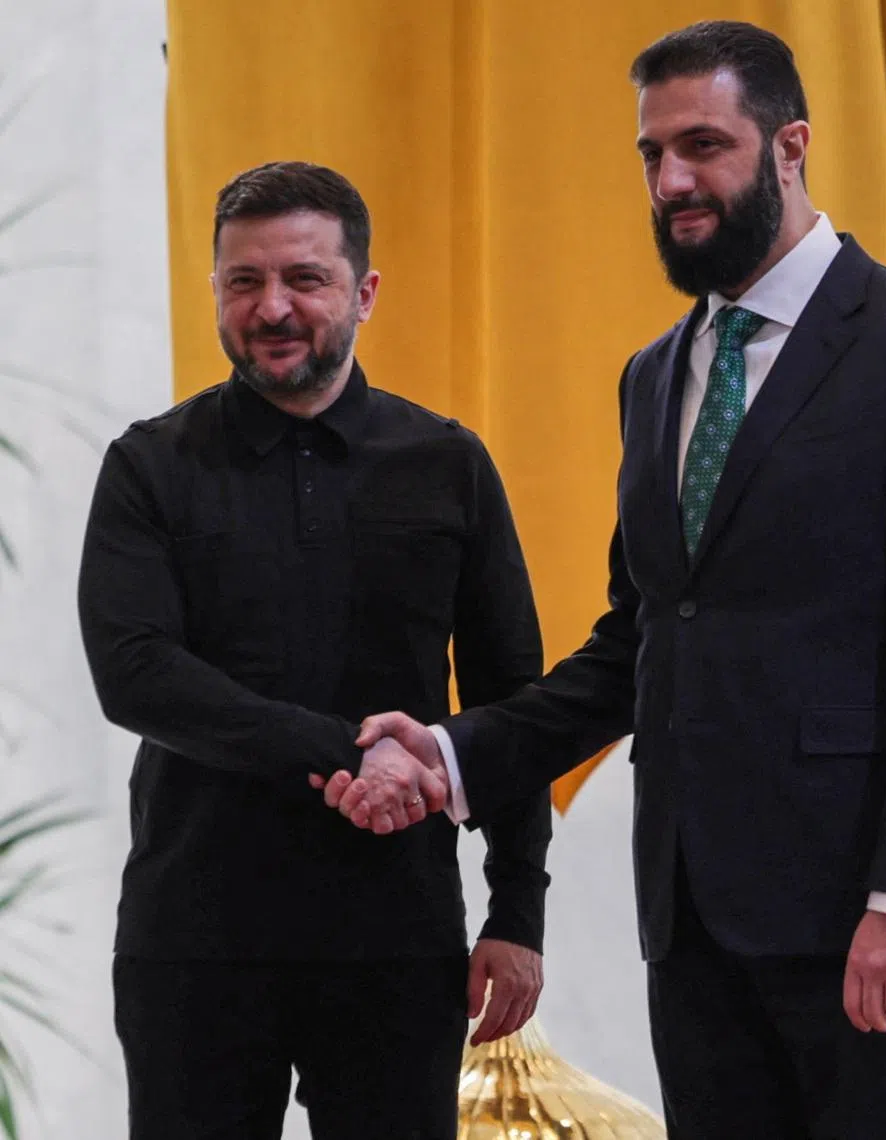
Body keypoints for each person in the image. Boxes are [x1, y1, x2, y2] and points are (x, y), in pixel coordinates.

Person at [317, 20, 886, 1139]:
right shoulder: (655, 376)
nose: (672, 181)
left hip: (867, 923)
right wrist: (450, 753)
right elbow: (641, 640)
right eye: (652, 154)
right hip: (693, 922)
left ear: (790, 146)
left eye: (703, 146)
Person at [77, 161, 551, 1140]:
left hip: (398, 940)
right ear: (215, 289)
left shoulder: (448, 464)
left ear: (364, 292)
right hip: (194, 940)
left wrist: (516, 913)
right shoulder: (148, 465)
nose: (272, 307)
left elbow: (511, 698)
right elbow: (136, 676)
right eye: (244, 281)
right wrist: (347, 751)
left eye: (305, 278)